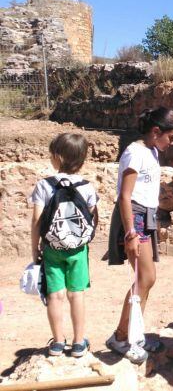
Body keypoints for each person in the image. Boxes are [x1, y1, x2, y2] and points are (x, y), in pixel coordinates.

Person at [106, 108, 173, 364]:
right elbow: (125, 196)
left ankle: (133, 334)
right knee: (145, 278)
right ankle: (120, 337)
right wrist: (130, 232)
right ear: (156, 131)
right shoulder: (134, 152)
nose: (172, 143)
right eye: (171, 138)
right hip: (135, 217)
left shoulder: (151, 151)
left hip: (146, 216)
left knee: (146, 279)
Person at [29, 133, 99, 358]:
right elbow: (92, 216)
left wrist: (35, 248)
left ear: (57, 157)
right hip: (78, 250)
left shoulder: (44, 185)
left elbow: (37, 220)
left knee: (55, 295)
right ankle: (79, 343)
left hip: (52, 249)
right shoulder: (87, 186)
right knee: (76, 294)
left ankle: (58, 343)